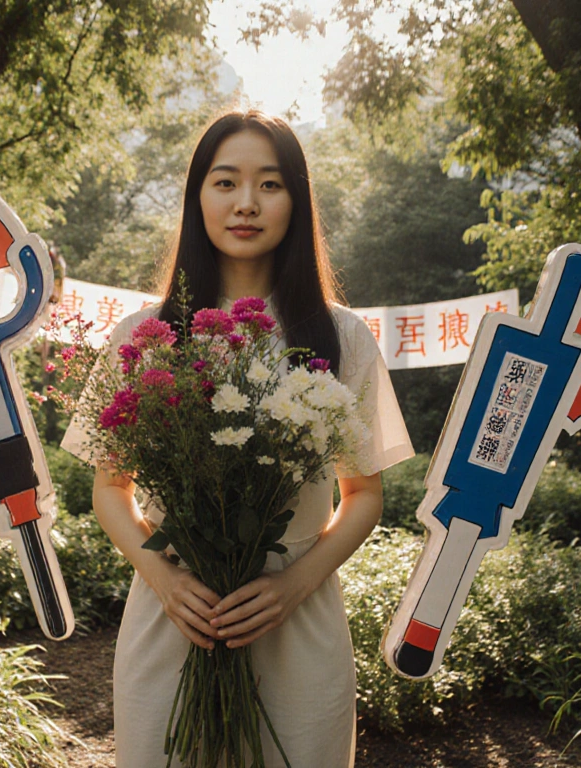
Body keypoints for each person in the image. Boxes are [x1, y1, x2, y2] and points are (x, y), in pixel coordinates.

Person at [61, 110, 414, 767]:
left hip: (297, 628)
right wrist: (162, 577)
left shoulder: (342, 337)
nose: (246, 203)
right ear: (199, 196)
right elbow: (109, 487)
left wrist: (294, 584)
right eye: (225, 182)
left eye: (270, 184)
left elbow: (363, 491)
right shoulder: (144, 336)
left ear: (296, 200)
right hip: (175, 623)